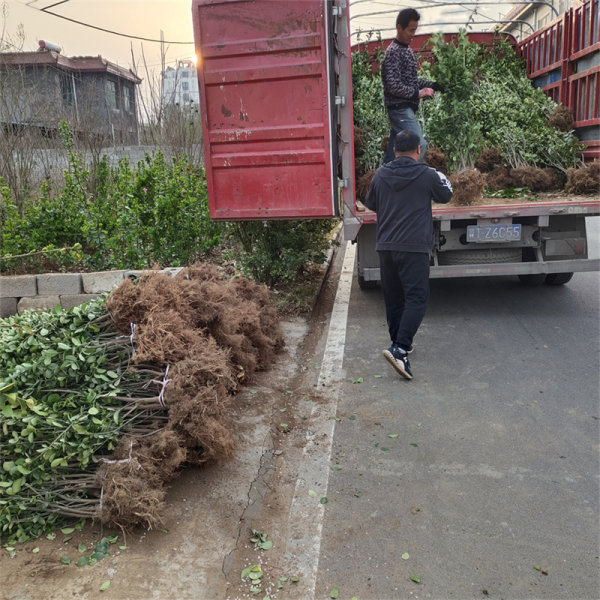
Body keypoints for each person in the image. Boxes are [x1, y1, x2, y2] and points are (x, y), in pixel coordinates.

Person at [364, 130, 453, 380]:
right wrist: (439, 175)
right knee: (416, 298)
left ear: (394, 151)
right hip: (413, 247)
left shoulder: (381, 174)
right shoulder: (427, 174)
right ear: (418, 150)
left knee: (394, 297)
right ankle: (400, 349)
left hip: (386, 246)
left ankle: (398, 342)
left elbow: (371, 202)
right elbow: (446, 194)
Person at [381, 7, 443, 163]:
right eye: (410, 30)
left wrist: (434, 85)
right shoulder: (393, 52)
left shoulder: (406, 50)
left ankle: (383, 184)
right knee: (418, 145)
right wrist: (418, 93)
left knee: (392, 155)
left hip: (404, 109)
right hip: (399, 110)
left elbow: (412, 81)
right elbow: (393, 86)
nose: (413, 35)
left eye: (415, 30)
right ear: (399, 28)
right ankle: (405, 181)